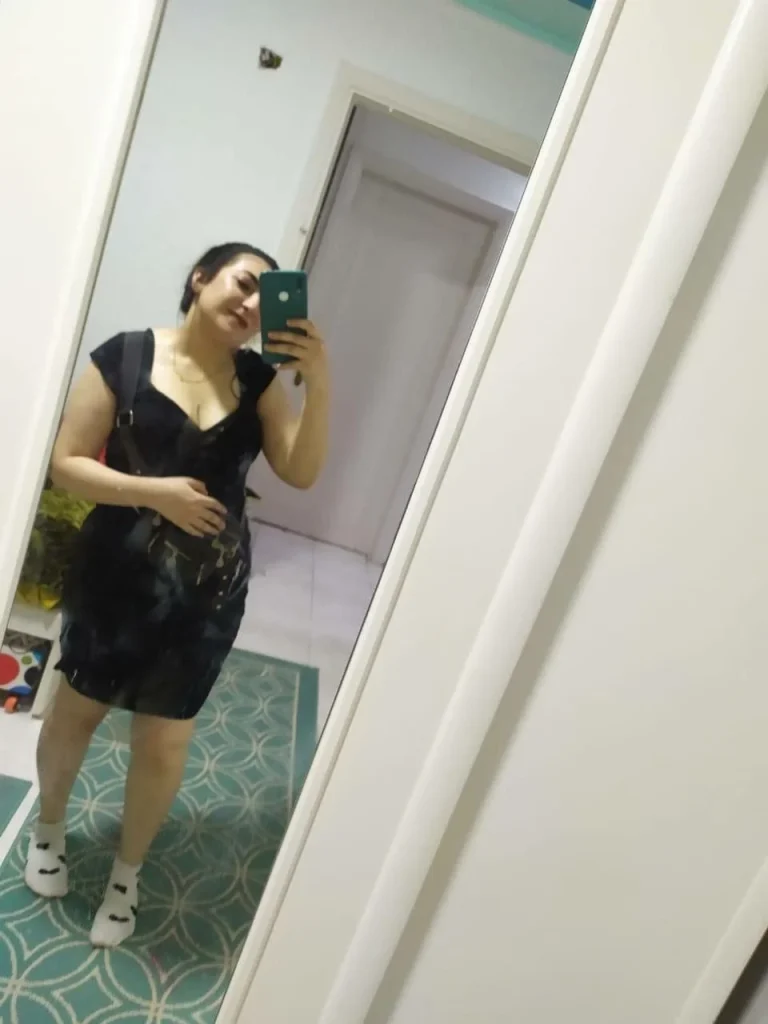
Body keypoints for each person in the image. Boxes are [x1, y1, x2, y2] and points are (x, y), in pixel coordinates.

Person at [24, 242, 329, 947]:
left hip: (206, 592)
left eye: (263, 298)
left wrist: (320, 382)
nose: (250, 304)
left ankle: (126, 876)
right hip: (113, 578)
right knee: (77, 712)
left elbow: (301, 470)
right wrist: (154, 493)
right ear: (200, 278)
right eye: (242, 283)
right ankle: (49, 829)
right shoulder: (125, 357)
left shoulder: (259, 383)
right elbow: (66, 465)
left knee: (165, 741)